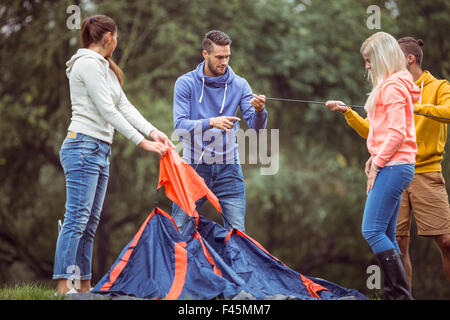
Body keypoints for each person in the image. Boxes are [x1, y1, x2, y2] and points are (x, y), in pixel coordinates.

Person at [53, 15, 173, 295]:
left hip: (99, 149)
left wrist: (154, 132)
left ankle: (84, 287)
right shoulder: (86, 64)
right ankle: (62, 287)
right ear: (108, 37)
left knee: (90, 221)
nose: (116, 43)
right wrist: (141, 143)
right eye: (116, 38)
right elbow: (108, 111)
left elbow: (124, 106)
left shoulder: (104, 68)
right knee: (76, 218)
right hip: (82, 146)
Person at [327, 37, 450, 287]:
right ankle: (402, 294)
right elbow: (376, 132)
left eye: (369, 61)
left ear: (407, 58)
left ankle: (400, 294)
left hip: (416, 170)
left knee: (442, 240)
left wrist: (415, 108)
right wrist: (348, 112)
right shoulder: (392, 87)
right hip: (396, 164)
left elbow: (399, 132)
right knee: (396, 239)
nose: (367, 67)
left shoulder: (431, 87)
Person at [172, 30, 268, 232]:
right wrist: (211, 122)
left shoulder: (240, 85)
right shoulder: (185, 83)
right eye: (219, 57)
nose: (224, 61)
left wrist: (260, 111)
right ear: (205, 54)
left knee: (238, 235)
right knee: (179, 232)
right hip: (194, 166)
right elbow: (180, 127)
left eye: (227, 56)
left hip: (228, 169)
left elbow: (257, 128)